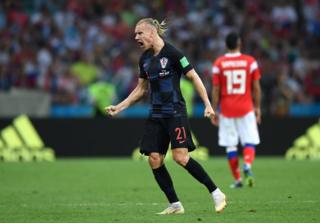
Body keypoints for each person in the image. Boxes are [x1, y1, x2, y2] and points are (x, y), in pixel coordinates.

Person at [106, 18, 227, 215]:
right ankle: (175, 205)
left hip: (175, 113)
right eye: (135, 34)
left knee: (180, 157)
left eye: (139, 33)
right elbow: (141, 89)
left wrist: (207, 104)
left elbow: (194, 76)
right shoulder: (144, 59)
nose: (136, 37)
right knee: (154, 159)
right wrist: (120, 107)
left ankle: (216, 193)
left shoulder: (173, 53)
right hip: (156, 115)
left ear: (152, 33)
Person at [211, 32, 261, 189]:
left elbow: (216, 89)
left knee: (231, 145)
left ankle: (238, 179)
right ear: (239, 44)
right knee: (249, 140)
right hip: (246, 108)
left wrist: (214, 109)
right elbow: (256, 88)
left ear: (226, 45)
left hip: (226, 109)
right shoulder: (250, 62)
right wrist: (257, 107)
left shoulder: (219, 63)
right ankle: (247, 164)